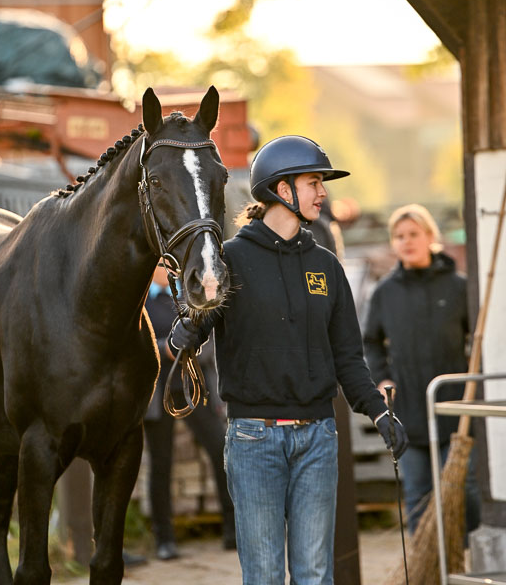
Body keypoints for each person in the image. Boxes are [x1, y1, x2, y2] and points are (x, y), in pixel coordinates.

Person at [167, 135, 407, 585]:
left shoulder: (327, 266)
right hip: (254, 441)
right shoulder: (229, 259)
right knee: (263, 577)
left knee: (316, 575)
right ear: (283, 190)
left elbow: (348, 360)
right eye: (314, 182)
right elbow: (193, 333)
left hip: (318, 440)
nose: (323, 193)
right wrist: (189, 322)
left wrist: (379, 413)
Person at [363, 203, 481, 536]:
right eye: (399, 236)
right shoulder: (385, 293)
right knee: (416, 495)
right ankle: (424, 564)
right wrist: (381, 376)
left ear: (431, 237)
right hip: (408, 411)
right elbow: (370, 342)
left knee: (464, 487)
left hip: (455, 408)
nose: (406, 242)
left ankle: (464, 553)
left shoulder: (459, 287)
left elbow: (479, 338)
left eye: (414, 234)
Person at [143, 266, 235, 560]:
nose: (167, 269)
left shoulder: (190, 297)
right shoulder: (143, 301)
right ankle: (164, 539)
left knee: (220, 449)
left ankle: (233, 530)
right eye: (160, 264)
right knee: (161, 463)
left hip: (196, 387)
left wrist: (187, 351)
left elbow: (208, 339)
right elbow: (139, 344)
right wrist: (165, 349)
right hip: (160, 393)